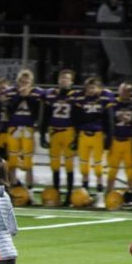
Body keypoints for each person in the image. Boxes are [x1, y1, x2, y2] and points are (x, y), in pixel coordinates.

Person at [71, 77, 114, 201]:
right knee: (84, 166)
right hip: (84, 135)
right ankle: (85, 195)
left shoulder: (105, 99)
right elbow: (76, 118)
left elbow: (109, 120)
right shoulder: (80, 99)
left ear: (99, 88)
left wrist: (109, 137)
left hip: (98, 135)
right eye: (89, 88)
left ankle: (100, 195)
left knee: (99, 168)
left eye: (94, 87)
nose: (91, 90)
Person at [40, 70, 78, 205]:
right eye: (62, 78)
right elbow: (45, 116)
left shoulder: (75, 96)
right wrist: (42, 134)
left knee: (69, 165)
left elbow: (78, 118)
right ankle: (56, 193)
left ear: (72, 82)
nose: (64, 81)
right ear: (58, 80)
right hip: (54, 132)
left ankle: (69, 194)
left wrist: (77, 137)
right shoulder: (50, 95)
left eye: (67, 79)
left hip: (69, 131)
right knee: (54, 164)